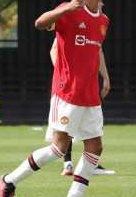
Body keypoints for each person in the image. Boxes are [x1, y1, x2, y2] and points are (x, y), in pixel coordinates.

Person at [0, 0, 112, 197]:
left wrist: (105, 78)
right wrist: (67, 8)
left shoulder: (103, 20)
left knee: (95, 146)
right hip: (67, 92)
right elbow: (39, 23)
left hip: (90, 95)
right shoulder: (69, 10)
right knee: (59, 149)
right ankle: (9, 181)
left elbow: (96, 50)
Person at [50, 36, 115, 176]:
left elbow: (98, 50)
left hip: (89, 84)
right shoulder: (72, 19)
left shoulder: (98, 21)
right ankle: (67, 163)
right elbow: (53, 50)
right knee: (65, 131)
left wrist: (106, 77)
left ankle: (92, 164)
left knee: (92, 126)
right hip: (70, 87)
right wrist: (64, 74)